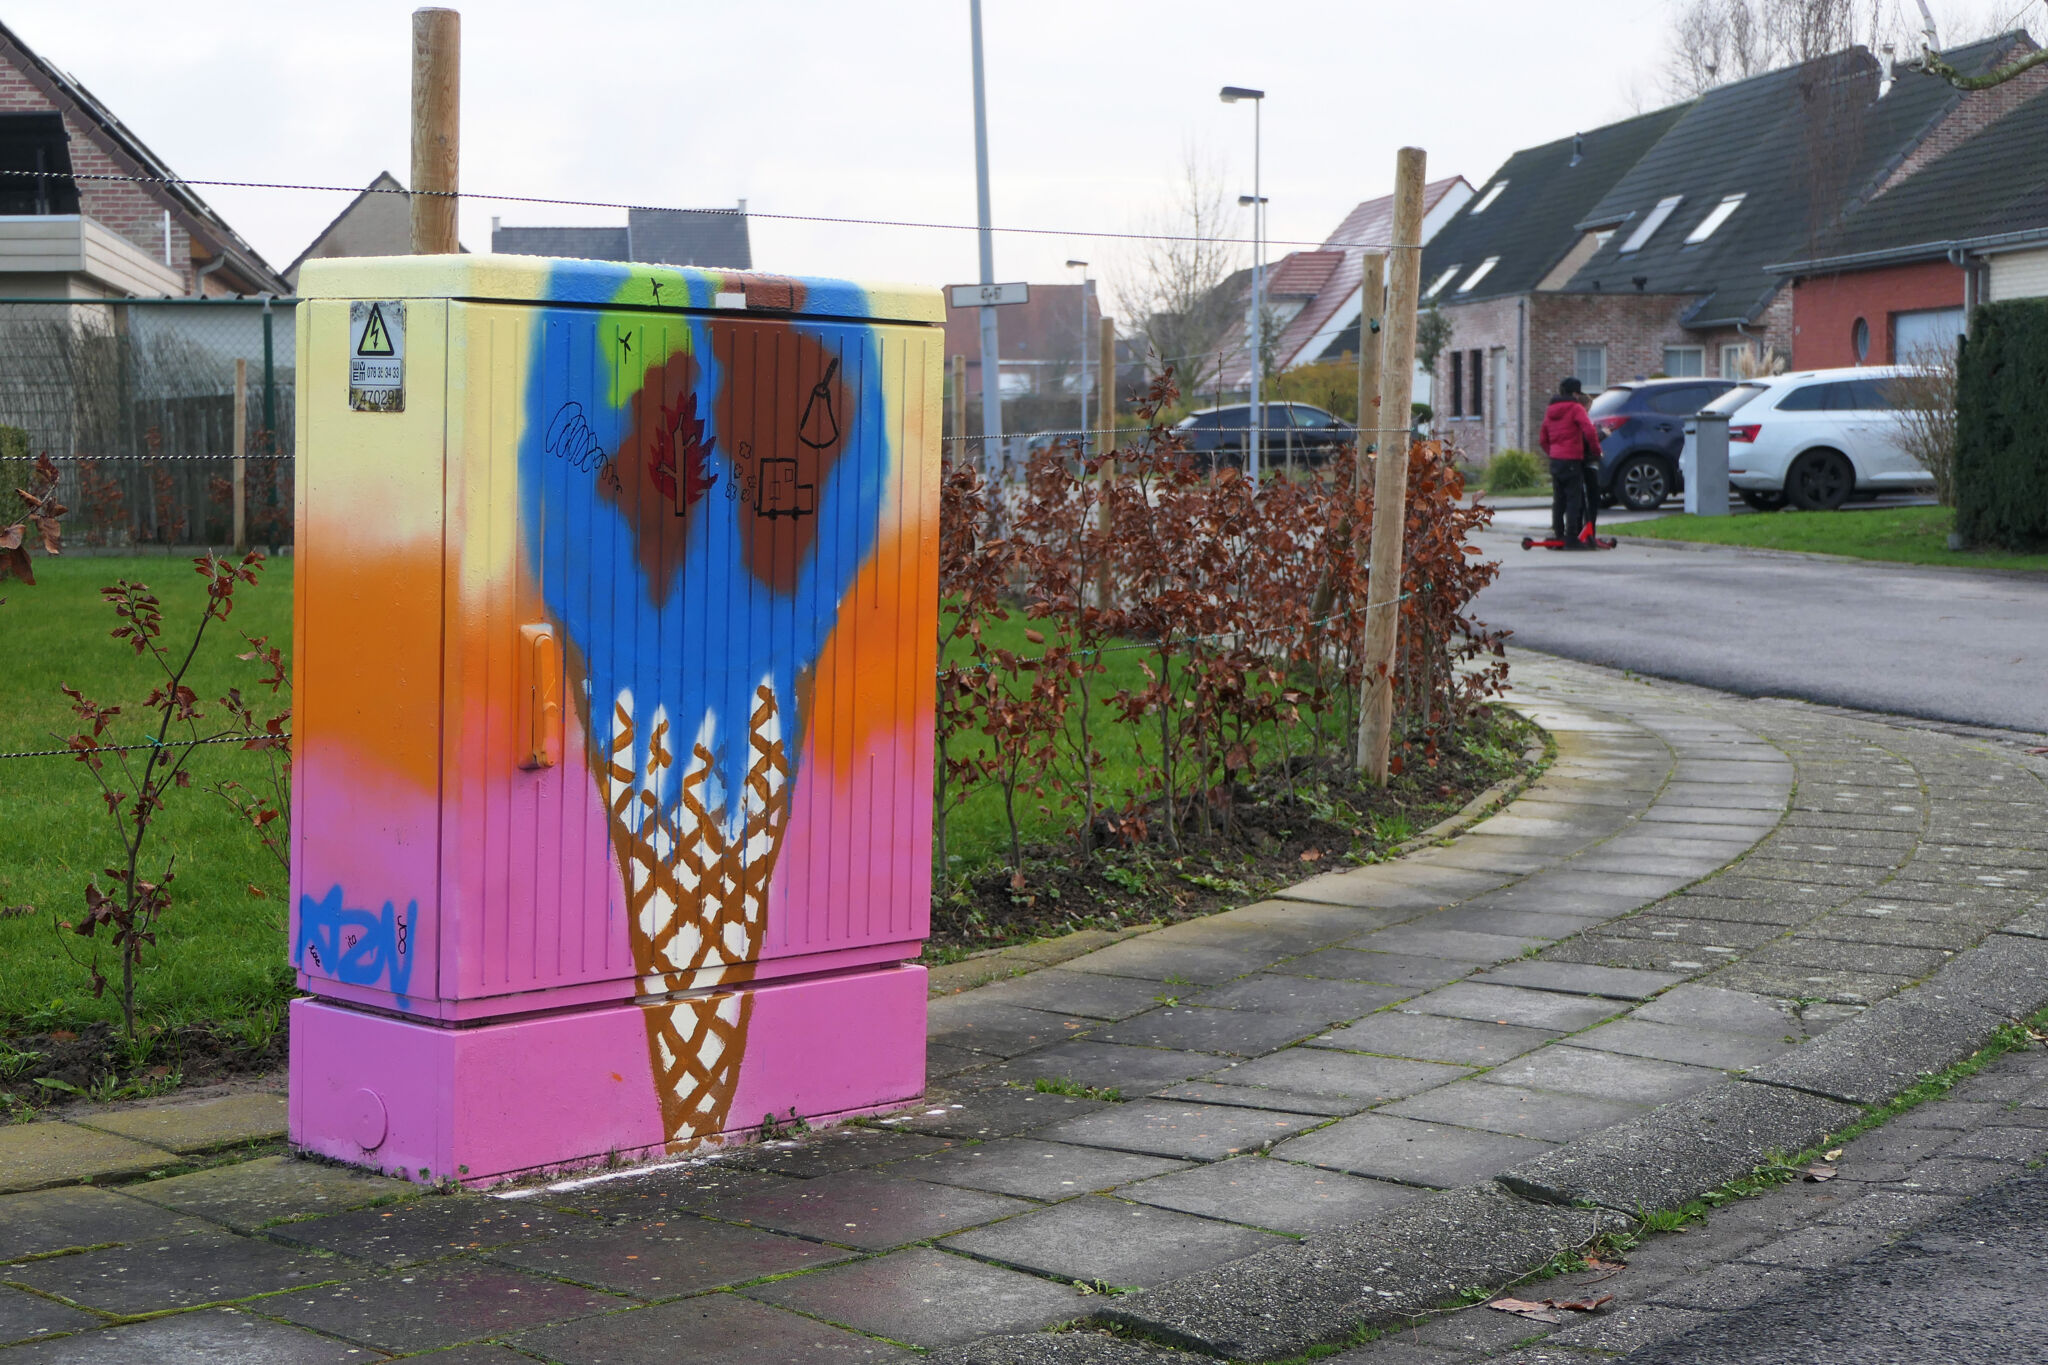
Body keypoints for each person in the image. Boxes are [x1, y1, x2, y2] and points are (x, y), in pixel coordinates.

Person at [1539, 377, 1599, 546]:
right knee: (1574, 499)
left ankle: (1559, 534)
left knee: (1559, 499)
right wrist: (1596, 451)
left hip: (1555, 460)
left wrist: (1553, 453)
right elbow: (1589, 430)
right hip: (1572, 459)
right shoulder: (1576, 408)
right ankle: (1571, 536)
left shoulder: (1550, 410)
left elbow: (1543, 438)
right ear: (1575, 393)